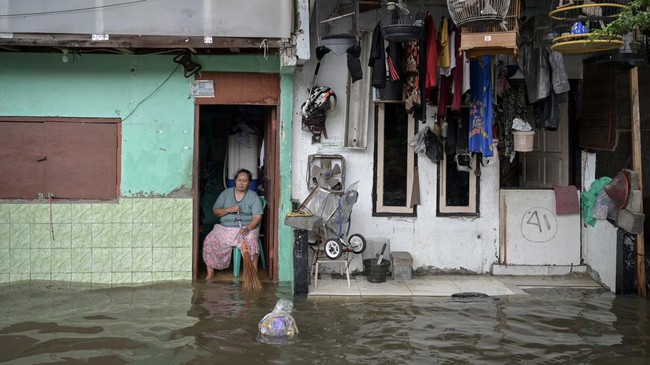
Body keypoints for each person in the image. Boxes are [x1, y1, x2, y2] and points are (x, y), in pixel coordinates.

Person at [203, 169, 263, 281]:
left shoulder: (253, 196)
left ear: (249, 183)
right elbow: (215, 211)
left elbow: (258, 217)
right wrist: (229, 209)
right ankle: (210, 274)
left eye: (245, 181)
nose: (241, 183)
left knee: (250, 240)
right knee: (210, 239)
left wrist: (249, 228)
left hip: (246, 227)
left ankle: (252, 275)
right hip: (225, 228)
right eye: (239, 180)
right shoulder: (225, 194)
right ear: (235, 181)